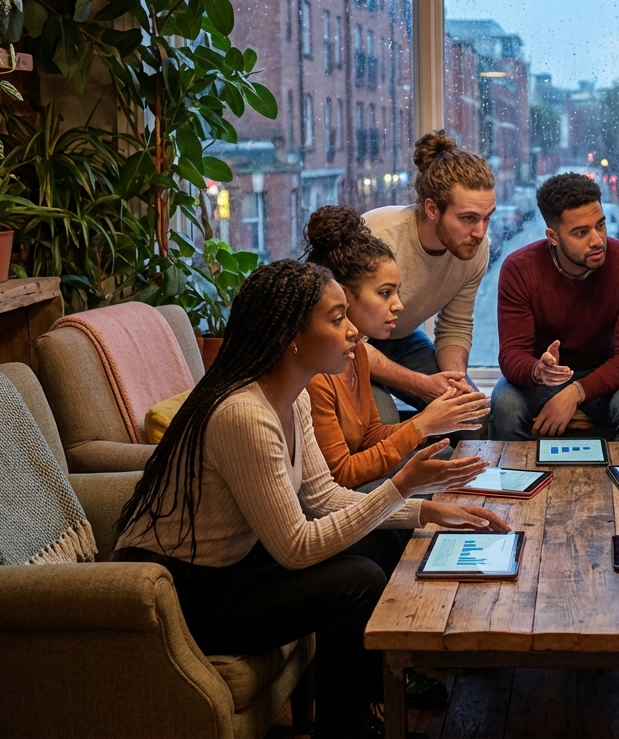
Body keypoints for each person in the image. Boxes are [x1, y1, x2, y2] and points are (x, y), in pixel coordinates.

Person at [111, 259, 510, 738]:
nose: (353, 332)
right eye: (337, 318)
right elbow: (295, 547)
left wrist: (424, 511)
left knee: (376, 545)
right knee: (358, 576)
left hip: (228, 564)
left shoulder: (292, 394)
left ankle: (365, 701)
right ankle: (347, 723)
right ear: (292, 335)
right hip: (181, 591)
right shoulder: (244, 414)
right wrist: (402, 487)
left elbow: (322, 496)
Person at [303, 205, 491, 490]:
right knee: (447, 484)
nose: (399, 305)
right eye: (384, 293)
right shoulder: (317, 374)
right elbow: (341, 475)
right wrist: (422, 425)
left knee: (450, 458)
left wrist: (435, 422)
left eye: (397, 292)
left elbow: (371, 436)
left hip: (355, 477)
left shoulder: (357, 355)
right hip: (337, 497)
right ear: (340, 293)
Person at [492, 172, 619, 440]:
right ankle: (515, 482)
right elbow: (511, 354)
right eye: (580, 232)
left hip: (607, 377)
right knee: (506, 403)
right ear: (552, 237)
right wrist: (537, 371)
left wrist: (575, 392)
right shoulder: (519, 268)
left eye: (600, 225)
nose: (597, 240)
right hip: (545, 379)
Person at [361, 130, 496, 411]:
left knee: (470, 414)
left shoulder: (475, 249)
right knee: (382, 417)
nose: (480, 232)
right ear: (432, 208)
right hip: (346, 348)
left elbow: (455, 325)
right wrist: (422, 386)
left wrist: (455, 383)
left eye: (486, 218)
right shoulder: (377, 236)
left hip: (398, 338)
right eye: (468, 218)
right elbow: (344, 340)